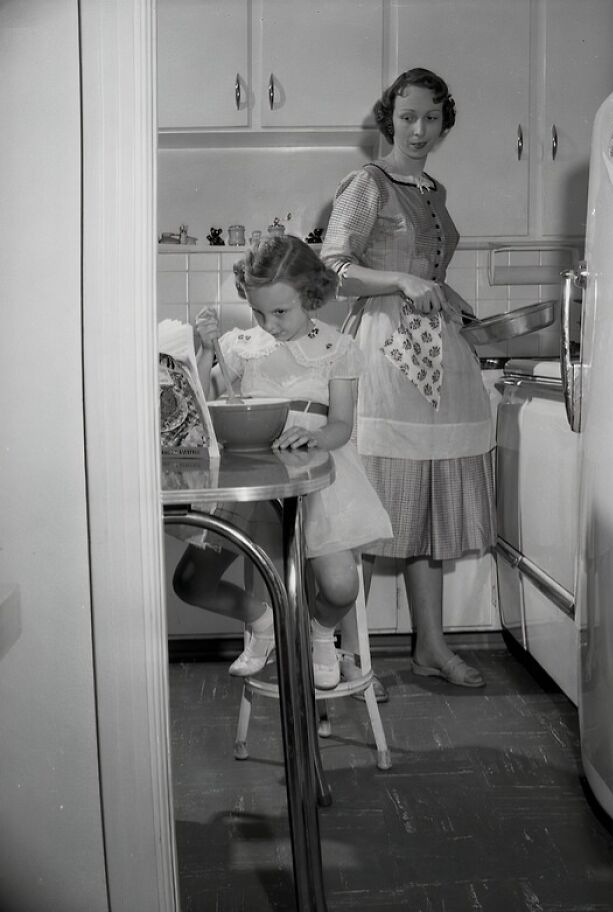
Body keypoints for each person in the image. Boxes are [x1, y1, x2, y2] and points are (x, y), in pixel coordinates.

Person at [320, 68, 496, 688]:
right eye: (406, 117)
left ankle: (431, 647)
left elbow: (429, 274)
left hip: (440, 359)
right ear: (388, 119)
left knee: (428, 512)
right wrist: (399, 279)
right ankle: (351, 657)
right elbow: (333, 269)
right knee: (370, 515)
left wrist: (458, 307)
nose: (418, 130)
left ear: (445, 123)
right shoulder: (366, 183)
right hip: (384, 355)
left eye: (430, 118)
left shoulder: (434, 189)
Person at [172, 235, 393, 690]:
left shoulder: (336, 347)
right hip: (253, 479)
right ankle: (266, 622)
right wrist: (207, 350)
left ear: (310, 295)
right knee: (191, 582)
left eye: (280, 312)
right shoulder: (241, 346)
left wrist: (315, 436)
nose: (269, 325)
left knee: (341, 588)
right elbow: (206, 408)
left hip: (318, 479)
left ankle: (320, 633)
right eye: (258, 313)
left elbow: (342, 425)